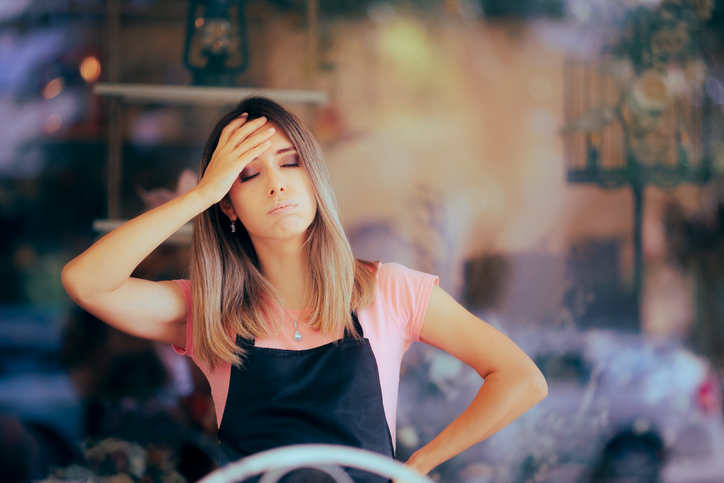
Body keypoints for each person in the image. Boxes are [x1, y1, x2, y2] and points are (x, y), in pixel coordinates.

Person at [62, 96, 547, 481]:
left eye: (290, 163)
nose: (276, 185)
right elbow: (85, 282)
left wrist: (419, 464)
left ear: (314, 180)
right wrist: (202, 194)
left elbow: (520, 378)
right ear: (228, 206)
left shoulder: (389, 290)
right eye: (248, 174)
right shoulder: (209, 311)